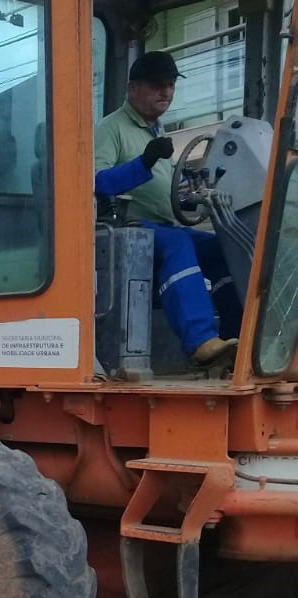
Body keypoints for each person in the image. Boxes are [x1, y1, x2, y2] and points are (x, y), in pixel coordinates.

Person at [94, 50, 241, 367]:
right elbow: (96, 183)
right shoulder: (110, 129)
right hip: (124, 228)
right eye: (157, 85)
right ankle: (201, 340)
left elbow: (165, 192)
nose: (167, 92)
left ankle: (238, 340)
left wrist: (193, 197)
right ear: (133, 89)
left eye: (171, 85)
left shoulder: (155, 130)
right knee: (179, 242)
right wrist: (144, 161)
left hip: (162, 225)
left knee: (223, 247)